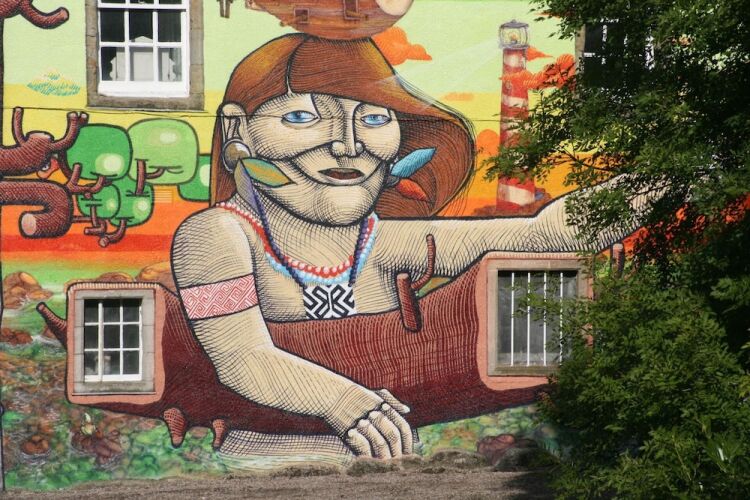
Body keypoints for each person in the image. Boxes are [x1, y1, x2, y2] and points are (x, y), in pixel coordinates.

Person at [172, 34, 640, 462]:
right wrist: (346, 403)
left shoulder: (384, 243)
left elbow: (545, 235)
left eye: (373, 118)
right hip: (267, 466)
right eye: (302, 117)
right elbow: (242, 358)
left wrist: (673, 173)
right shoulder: (214, 236)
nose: (348, 146)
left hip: (396, 470)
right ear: (238, 131)